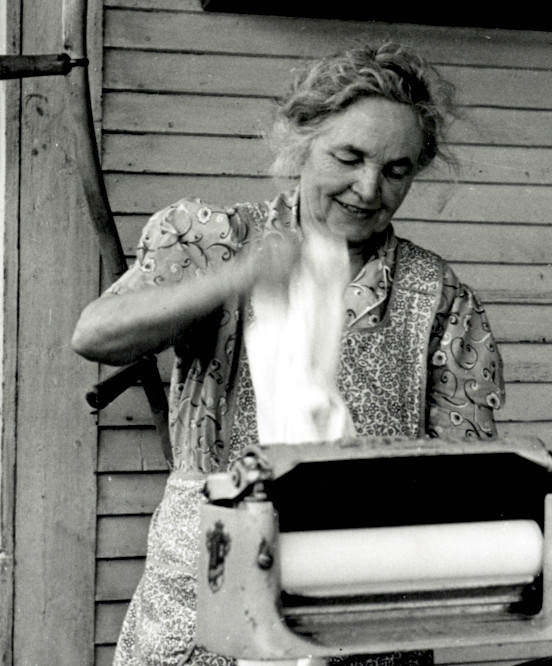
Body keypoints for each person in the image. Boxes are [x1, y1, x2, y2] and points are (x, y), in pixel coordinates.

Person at [72, 42, 505, 666]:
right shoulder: (220, 241)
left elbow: (466, 474)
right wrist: (237, 278)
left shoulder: (436, 297)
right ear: (301, 140)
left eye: (396, 170)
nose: (368, 189)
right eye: (348, 158)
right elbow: (95, 336)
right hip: (206, 602)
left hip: (361, 611)